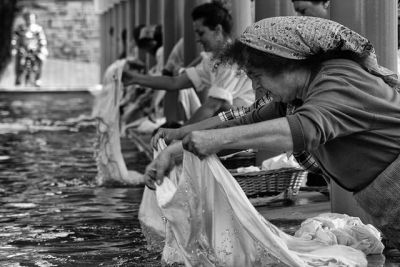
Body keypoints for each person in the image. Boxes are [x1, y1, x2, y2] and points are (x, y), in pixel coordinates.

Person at [144, 16, 400, 249]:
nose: (256, 87)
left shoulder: (339, 78)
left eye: (257, 76)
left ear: (287, 64)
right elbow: (244, 123)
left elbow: (304, 130)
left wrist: (215, 139)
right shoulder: (295, 98)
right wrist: (173, 153)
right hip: (384, 205)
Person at [122, 2, 254, 125]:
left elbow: (212, 105)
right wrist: (136, 78)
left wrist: (180, 135)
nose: (197, 39)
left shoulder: (230, 59)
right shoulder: (213, 60)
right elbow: (174, 82)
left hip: (247, 125)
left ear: (218, 30)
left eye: (201, 33)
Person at [12, 11, 48, 87]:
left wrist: (41, 47)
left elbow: (42, 39)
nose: (30, 20)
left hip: (35, 50)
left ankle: (38, 78)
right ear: (25, 19)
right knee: (18, 59)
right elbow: (14, 38)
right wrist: (16, 47)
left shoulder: (38, 29)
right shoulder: (20, 28)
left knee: (41, 58)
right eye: (28, 18)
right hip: (23, 49)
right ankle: (18, 77)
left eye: (31, 18)